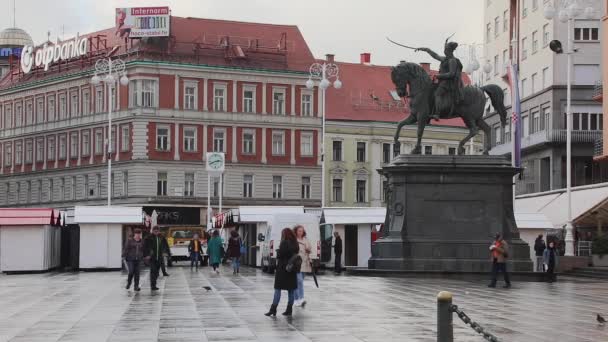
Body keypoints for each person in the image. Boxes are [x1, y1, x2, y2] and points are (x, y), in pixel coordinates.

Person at [415, 38, 464, 120]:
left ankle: (437, 113)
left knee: (437, 94)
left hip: (448, 83)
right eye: (445, 49)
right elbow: (435, 55)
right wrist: (425, 49)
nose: (444, 51)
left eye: (446, 49)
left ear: (449, 50)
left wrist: (439, 76)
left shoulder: (452, 61)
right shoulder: (445, 59)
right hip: (442, 82)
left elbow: (451, 74)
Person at [265, 228, 299, 317]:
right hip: (292, 270)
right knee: (291, 290)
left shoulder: (284, 243)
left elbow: (281, 255)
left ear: (284, 234)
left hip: (283, 270)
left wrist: (278, 251)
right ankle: (289, 310)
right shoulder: (295, 243)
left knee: (277, 289)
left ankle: (273, 309)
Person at [294, 225, 312, 307]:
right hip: (297, 263)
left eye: (302, 231)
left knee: (299, 282)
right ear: (296, 231)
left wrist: (308, 250)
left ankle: (297, 299)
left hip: (305, 263)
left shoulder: (306, 239)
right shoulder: (294, 240)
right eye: (299, 231)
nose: (301, 232)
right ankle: (300, 299)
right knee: (299, 281)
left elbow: (310, 249)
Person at [144, 226, 164, 291]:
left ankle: (154, 284)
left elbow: (164, 246)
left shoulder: (161, 237)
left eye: (157, 231)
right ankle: (153, 286)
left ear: (159, 231)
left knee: (156, 273)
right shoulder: (148, 238)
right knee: (153, 271)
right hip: (152, 258)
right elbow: (145, 247)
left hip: (159, 258)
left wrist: (166, 252)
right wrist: (146, 255)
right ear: (152, 231)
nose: (156, 232)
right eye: (155, 231)